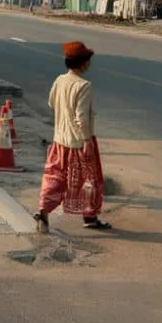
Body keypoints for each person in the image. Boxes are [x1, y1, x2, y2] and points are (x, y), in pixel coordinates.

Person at [34, 41, 111, 233]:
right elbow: (81, 117)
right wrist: (86, 141)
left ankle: (43, 211)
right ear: (83, 63)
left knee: (54, 178)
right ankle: (90, 217)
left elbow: (52, 103)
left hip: (60, 140)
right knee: (90, 180)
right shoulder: (83, 85)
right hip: (79, 142)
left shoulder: (60, 80)